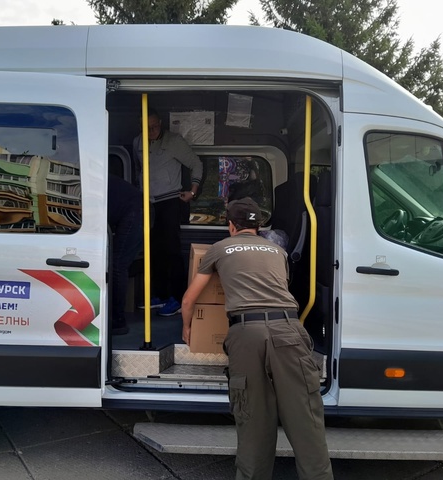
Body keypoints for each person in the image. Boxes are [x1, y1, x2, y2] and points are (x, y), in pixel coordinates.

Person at [181, 197, 333, 480]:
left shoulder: (219, 249)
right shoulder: (278, 251)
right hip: (289, 329)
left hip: (246, 332)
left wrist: (188, 328)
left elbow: (189, 299)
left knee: (253, 418)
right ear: (259, 225)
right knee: (305, 418)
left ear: (231, 225)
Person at [133, 108, 203, 316]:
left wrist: (193, 191)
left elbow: (196, 164)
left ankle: (178, 298)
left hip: (170, 201)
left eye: (154, 126)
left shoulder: (174, 141)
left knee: (172, 250)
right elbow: (139, 169)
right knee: (153, 251)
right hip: (149, 203)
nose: (151, 131)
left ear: (161, 123)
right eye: (146, 128)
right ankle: (161, 295)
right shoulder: (138, 143)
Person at [107, 174, 143, 335]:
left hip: (135, 211)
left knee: (117, 265)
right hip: (133, 208)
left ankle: (117, 320)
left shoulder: (84, 184)